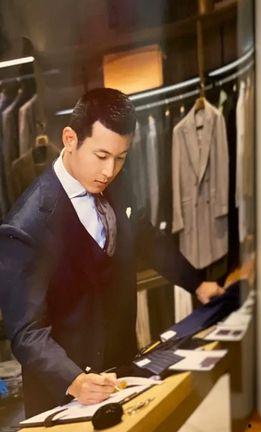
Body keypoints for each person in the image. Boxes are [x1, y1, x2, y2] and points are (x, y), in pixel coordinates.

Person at [0, 88, 225, 416]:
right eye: (102, 155)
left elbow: (147, 237)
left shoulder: (116, 181)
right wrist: (74, 379)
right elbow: (26, 331)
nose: (110, 170)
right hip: (62, 396)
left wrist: (198, 283)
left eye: (121, 158)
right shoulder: (24, 225)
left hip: (122, 373)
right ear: (70, 139)